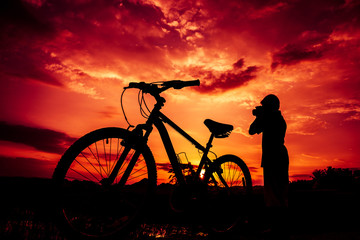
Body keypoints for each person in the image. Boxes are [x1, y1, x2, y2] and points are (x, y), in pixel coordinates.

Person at [249, 94, 289, 238]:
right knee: (277, 195)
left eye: (265, 106)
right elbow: (252, 130)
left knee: (275, 195)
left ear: (270, 107)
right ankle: (279, 229)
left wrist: (259, 116)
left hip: (274, 157)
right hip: (277, 157)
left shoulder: (272, 118)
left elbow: (252, 130)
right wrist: (260, 116)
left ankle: (277, 229)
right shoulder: (275, 118)